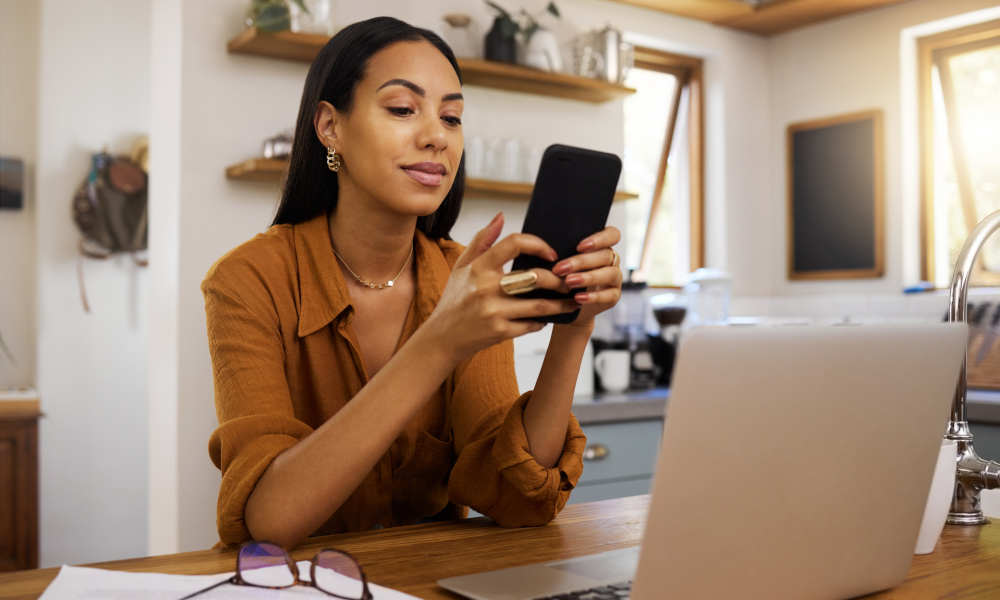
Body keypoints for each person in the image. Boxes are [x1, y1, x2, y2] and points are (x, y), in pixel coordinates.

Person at [202, 16, 624, 549]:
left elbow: (521, 500)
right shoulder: (248, 280)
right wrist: (441, 341)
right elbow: (269, 520)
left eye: (452, 117)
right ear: (330, 126)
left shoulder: (463, 276)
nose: (435, 137)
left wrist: (574, 328)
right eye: (403, 109)